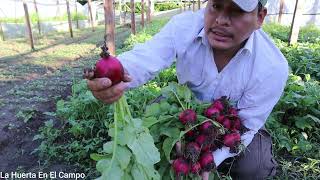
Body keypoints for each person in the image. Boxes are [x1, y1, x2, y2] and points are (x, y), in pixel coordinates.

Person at [85, 0, 289, 179]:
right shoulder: (184, 26)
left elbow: (248, 124)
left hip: (234, 123)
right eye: (216, 6)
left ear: (260, 17)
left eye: (236, 11)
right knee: (149, 136)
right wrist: (114, 75)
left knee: (253, 167)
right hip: (183, 109)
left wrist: (206, 161)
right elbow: (147, 56)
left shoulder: (272, 66)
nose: (221, 20)